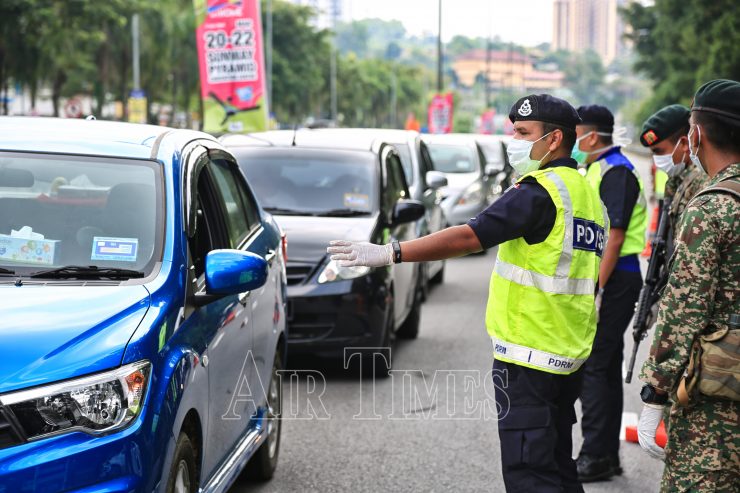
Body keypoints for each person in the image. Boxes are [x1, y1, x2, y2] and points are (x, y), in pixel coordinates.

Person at [329, 94, 608, 492]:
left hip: (530, 356)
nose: (515, 141)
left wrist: (391, 251)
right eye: (513, 131)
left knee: (530, 474)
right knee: (558, 466)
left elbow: (468, 236)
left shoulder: (539, 191)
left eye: (524, 133)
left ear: (553, 140)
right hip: (566, 354)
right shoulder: (586, 194)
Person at [638, 79, 740, 492]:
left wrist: (655, 392)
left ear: (694, 135)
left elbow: (683, 311)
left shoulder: (712, 207)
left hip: (718, 403)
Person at [572, 105, 647, 482]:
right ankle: (606, 455)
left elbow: (614, 237)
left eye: (576, 132)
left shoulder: (617, 171)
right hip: (610, 277)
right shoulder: (598, 167)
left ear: (592, 134)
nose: (573, 140)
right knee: (603, 365)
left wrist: (595, 290)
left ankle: (596, 456)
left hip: (615, 278)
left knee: (596, 368)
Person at [640, 104, 710, 251]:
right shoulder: (678, 180)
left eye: (659, 151)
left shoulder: (701, 182)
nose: (656, 159)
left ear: (684, 143)